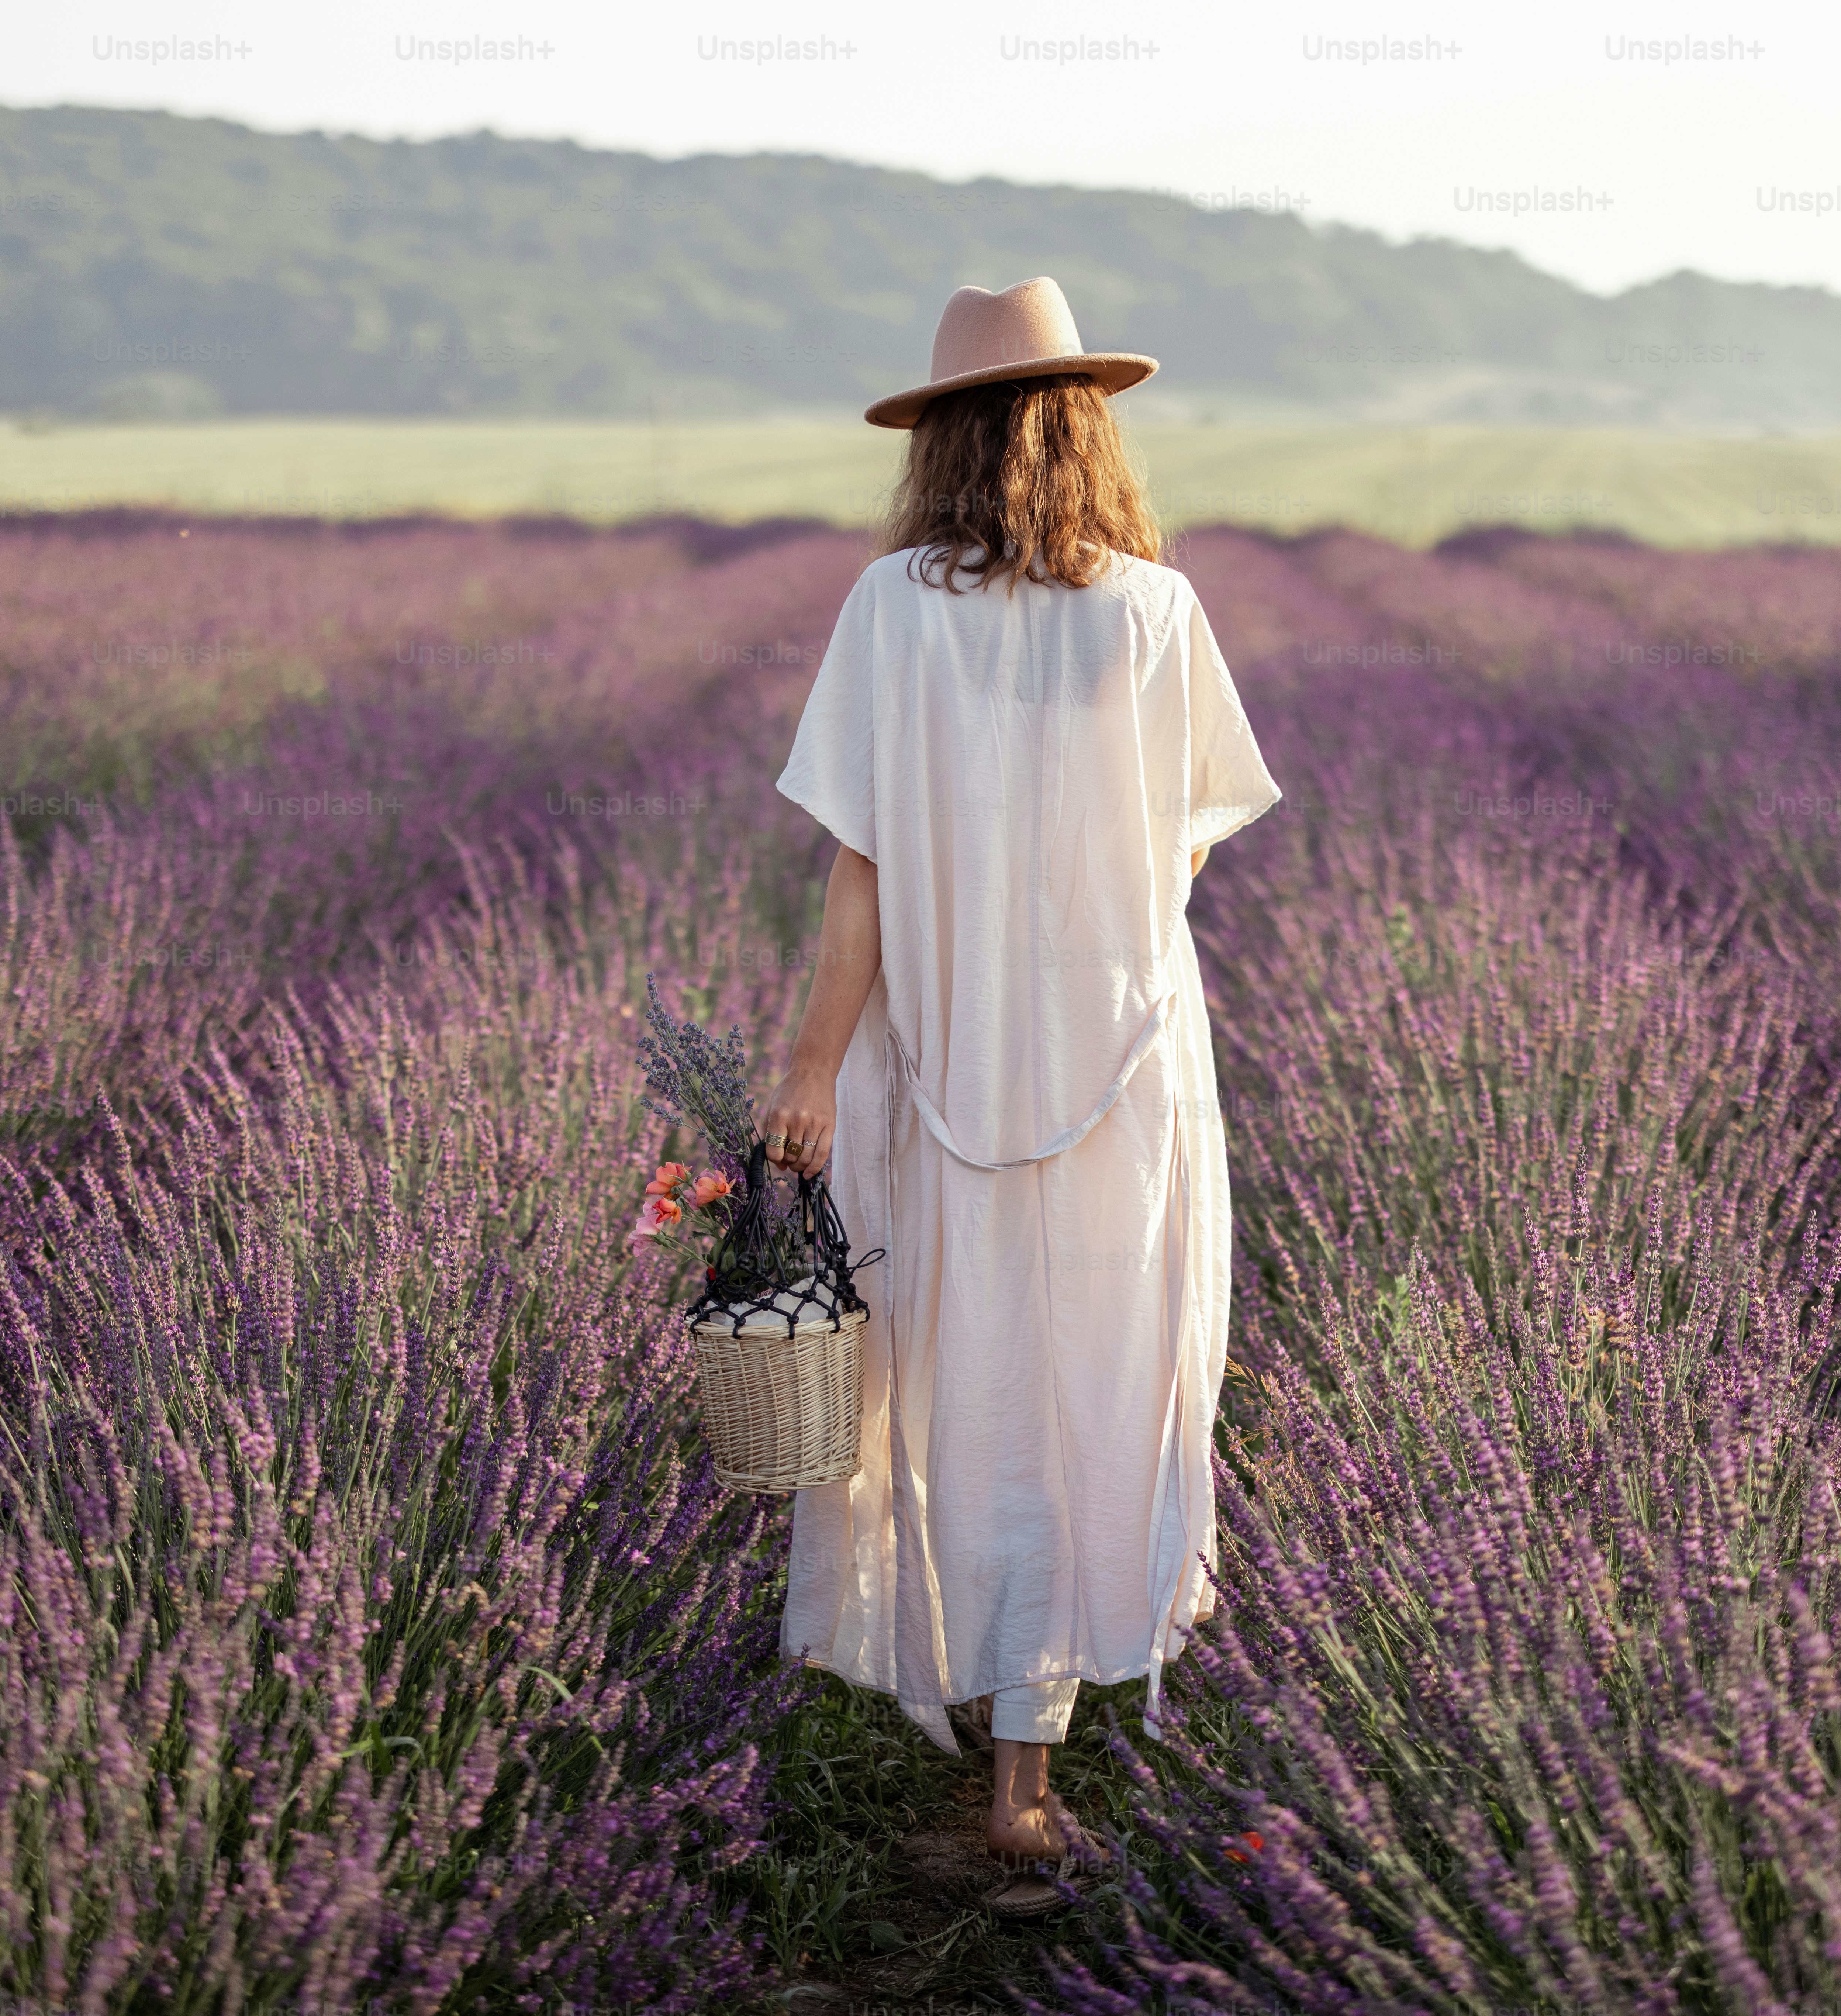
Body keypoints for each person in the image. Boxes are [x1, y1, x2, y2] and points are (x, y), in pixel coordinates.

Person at [758, 278, 1282, 1918]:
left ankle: (985, 1726)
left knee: (944, 1372)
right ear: (1084, 431)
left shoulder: (888, 610)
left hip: (941, 1051)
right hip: (1122, 1061)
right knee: (1098, 1371)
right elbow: (1186, 838)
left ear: (945, 444)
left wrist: (808, 1063)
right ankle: (1025, 1785)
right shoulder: (1153, 612)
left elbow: (858, 867)